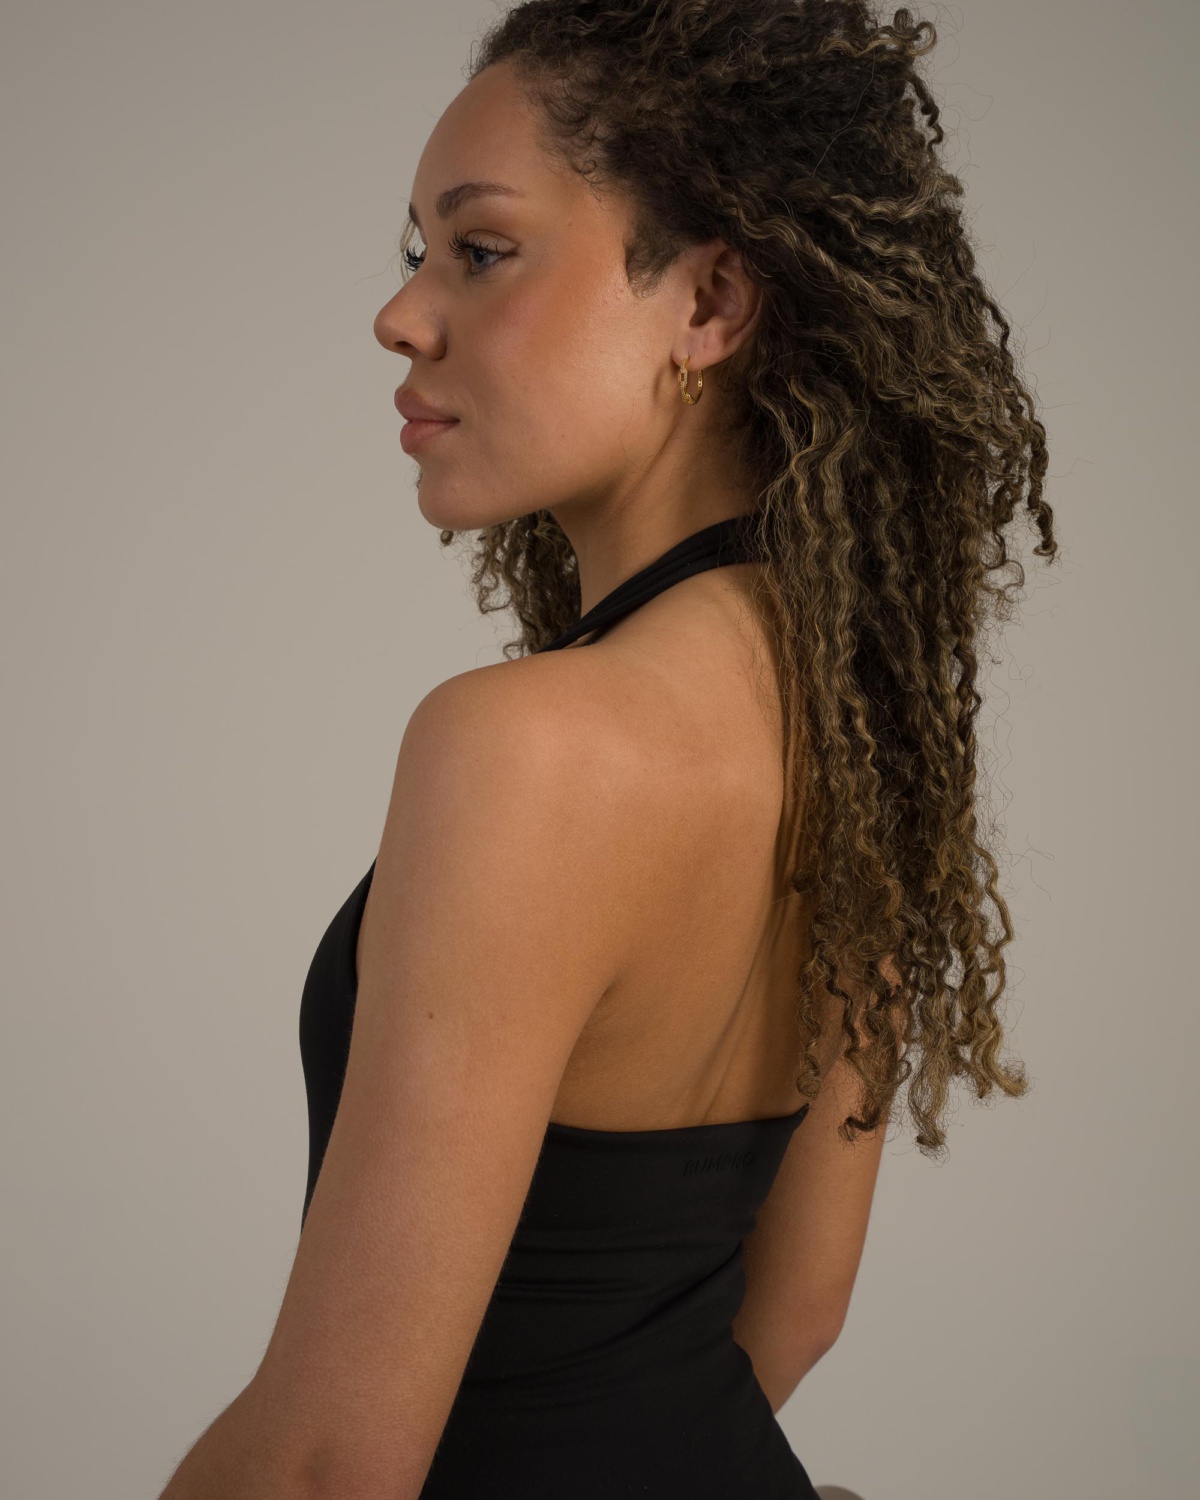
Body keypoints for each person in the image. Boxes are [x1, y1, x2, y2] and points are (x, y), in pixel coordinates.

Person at [157, 2, 1057, 1497]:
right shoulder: (860, 738)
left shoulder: (526, 748)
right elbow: (796, 1311)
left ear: (709, 302)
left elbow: (327, 1465)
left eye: (481, 249)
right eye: (418, 253)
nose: (402, 315)